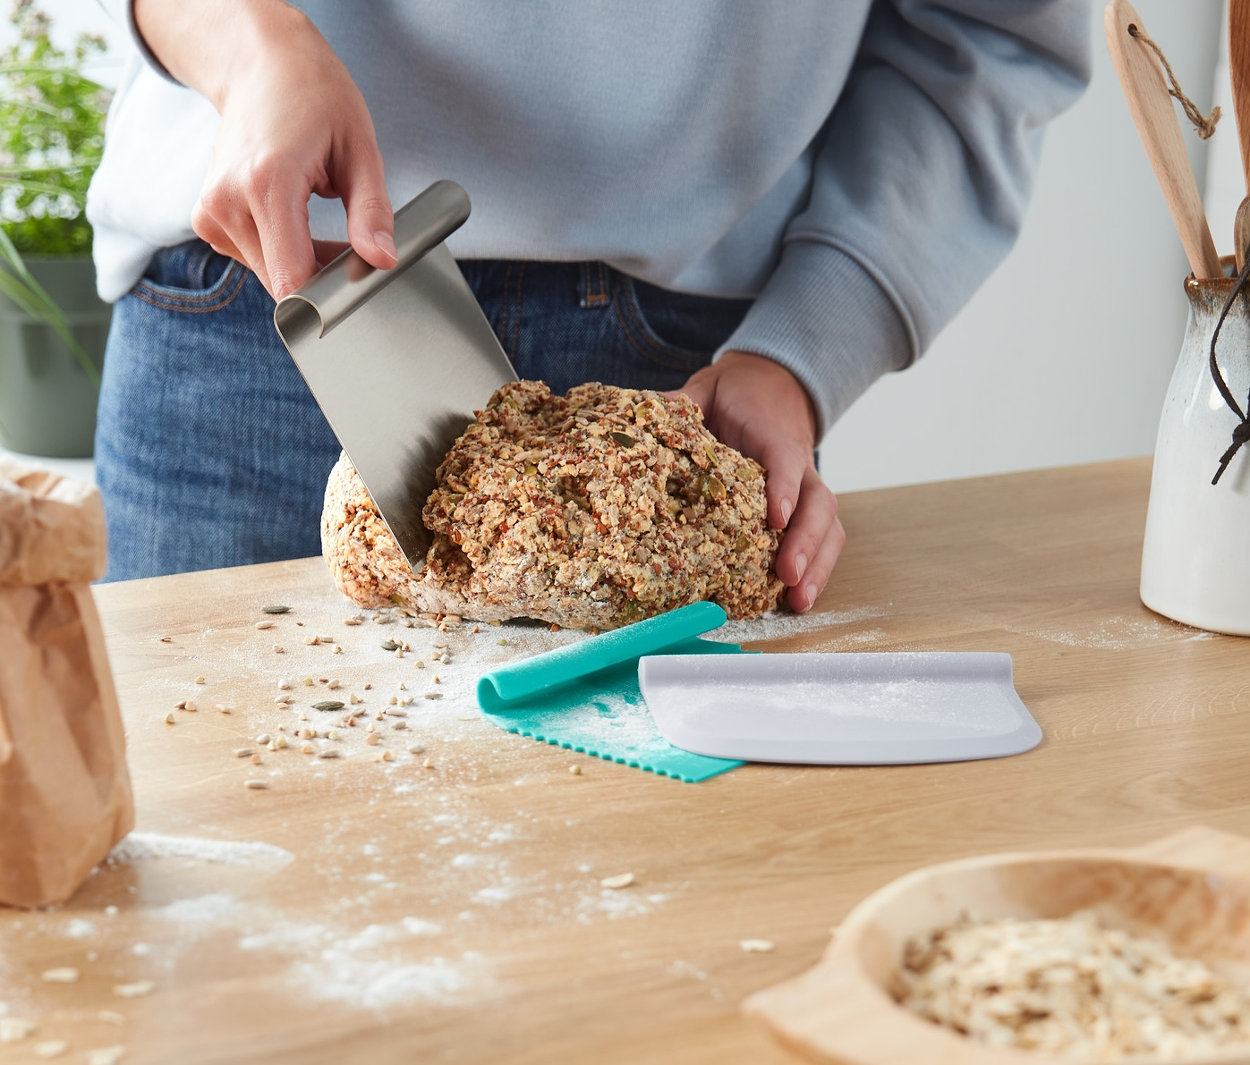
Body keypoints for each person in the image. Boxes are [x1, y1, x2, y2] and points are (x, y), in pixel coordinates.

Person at [87, 1, 1090, 610]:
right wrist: (248, 44)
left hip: (688, 385)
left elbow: (987, 37)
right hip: (268, 290)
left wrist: (803, 353)